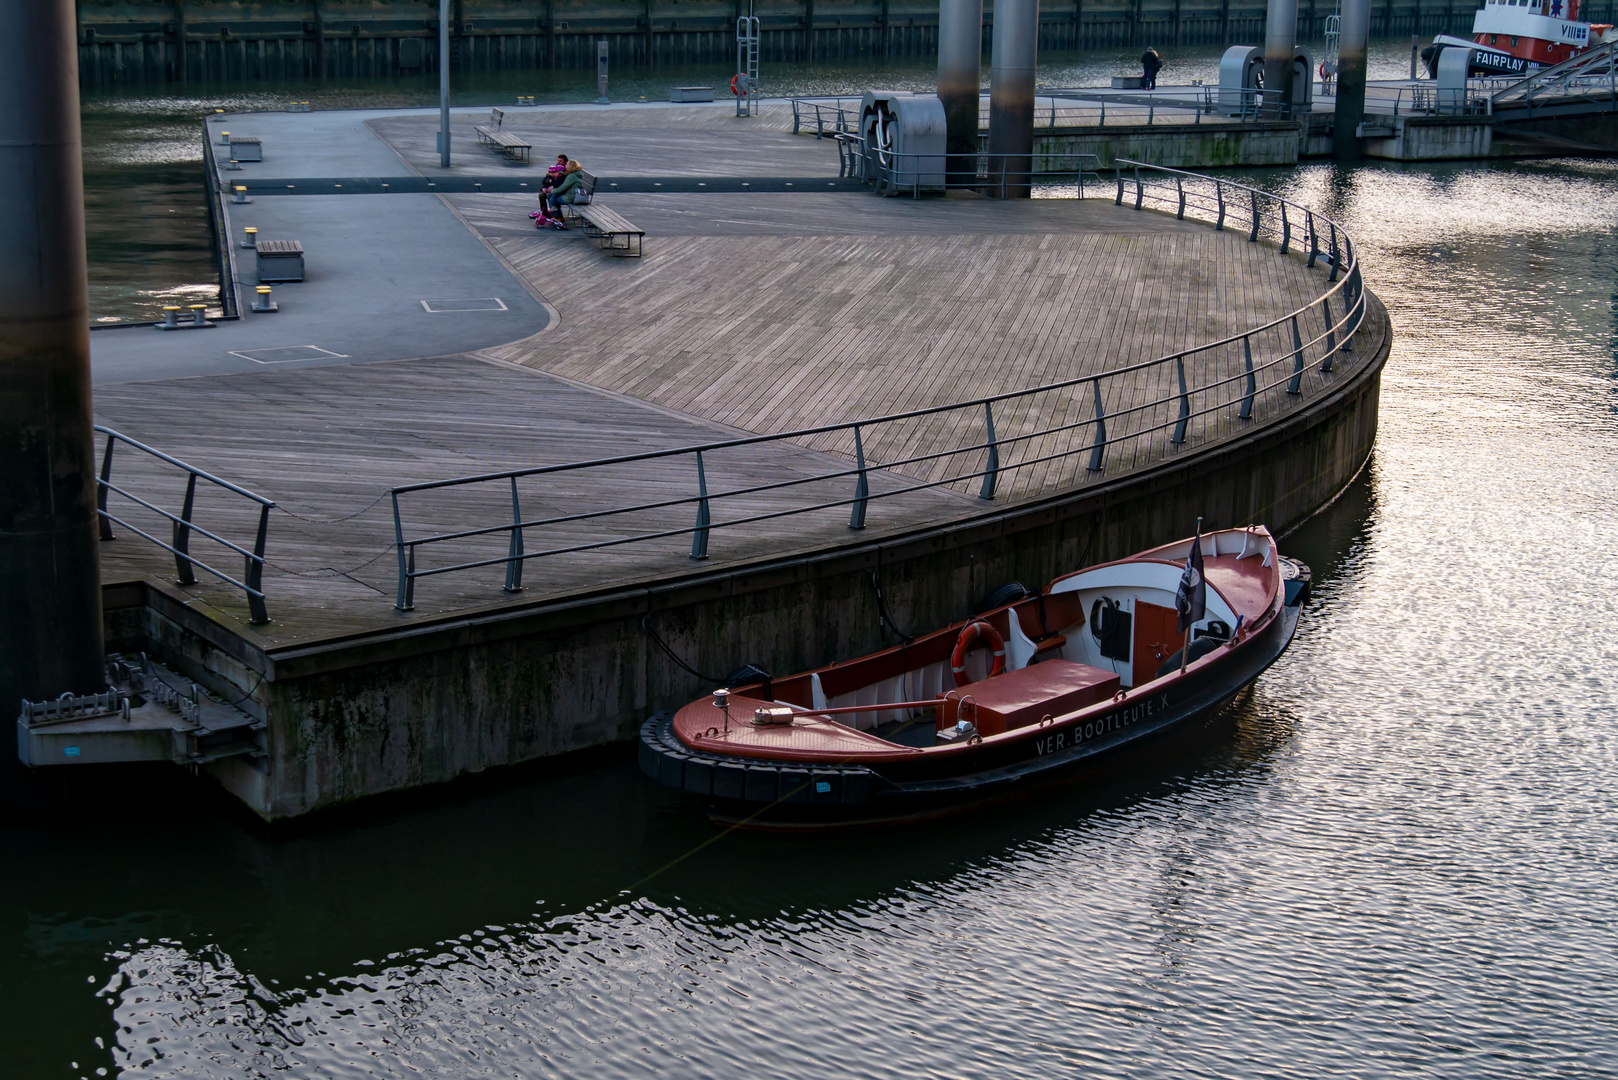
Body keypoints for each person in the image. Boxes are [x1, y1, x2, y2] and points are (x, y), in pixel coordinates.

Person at [530, 153, 570, 226]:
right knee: (541, 195)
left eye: (560, 161)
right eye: (558, 160)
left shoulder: (565, 172)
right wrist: (544, 188)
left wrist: (552, 185)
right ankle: (545, 214)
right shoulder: (555, 169)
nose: (558, 162)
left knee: (550, 195)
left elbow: (560, 184)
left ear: (565, 162)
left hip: (560, 191)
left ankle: (556, 215)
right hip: (553, 189)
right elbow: (545, 180)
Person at [544, 160, 585, 229]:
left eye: (567, 164)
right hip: (571, 194)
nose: (565, 165)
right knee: (553, 196)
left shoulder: (572, 176)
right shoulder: (575, 174)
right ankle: (559, 217)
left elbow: (563, 187)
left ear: (571, 166)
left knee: (552, 199)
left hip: (571, 197)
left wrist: (553, 191)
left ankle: (557, 217)